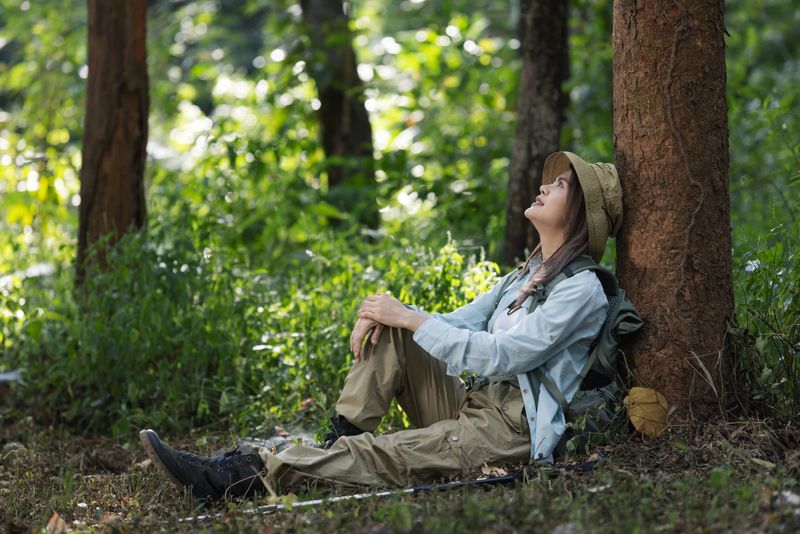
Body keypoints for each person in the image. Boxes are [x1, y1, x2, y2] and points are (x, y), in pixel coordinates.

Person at [140, 151, 624, 501]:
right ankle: (333, 445)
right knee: (397, 330)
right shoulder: (524, 275)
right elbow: (452, 325)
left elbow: (504, 356)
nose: (543, 186)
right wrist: (385, 316)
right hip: (472, 405)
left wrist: (407, 315)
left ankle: (243, 475)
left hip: (508, 432)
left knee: (387, 455)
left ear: (581, 213)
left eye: (559, 185)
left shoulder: (581, 290)